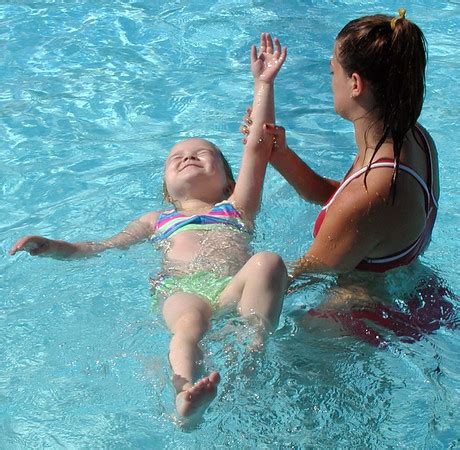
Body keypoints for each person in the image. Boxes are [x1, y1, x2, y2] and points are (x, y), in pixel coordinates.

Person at [9, 33, 288, 421]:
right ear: (166, 191)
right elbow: (101, 247)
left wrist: (263, 84)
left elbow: (258, 146)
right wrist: (53, 246)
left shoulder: (237, 207)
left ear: (228, 181)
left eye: (202, 154)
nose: (188, 156)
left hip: (233, 289)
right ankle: (185, 395)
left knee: (269, 262)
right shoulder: (157, 220)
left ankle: (252, 353)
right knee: (189, 324)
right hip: (182, 289)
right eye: (177, 157)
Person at [243, 12, 446, 344]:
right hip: (410, 294)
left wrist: (224, 287)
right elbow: (341, 200)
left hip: (350, 326)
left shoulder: (375, 191)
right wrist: (281, 155)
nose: (330, 79)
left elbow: (302, 275)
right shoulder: (409, 138)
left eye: (332, 71)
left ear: (355, 84)